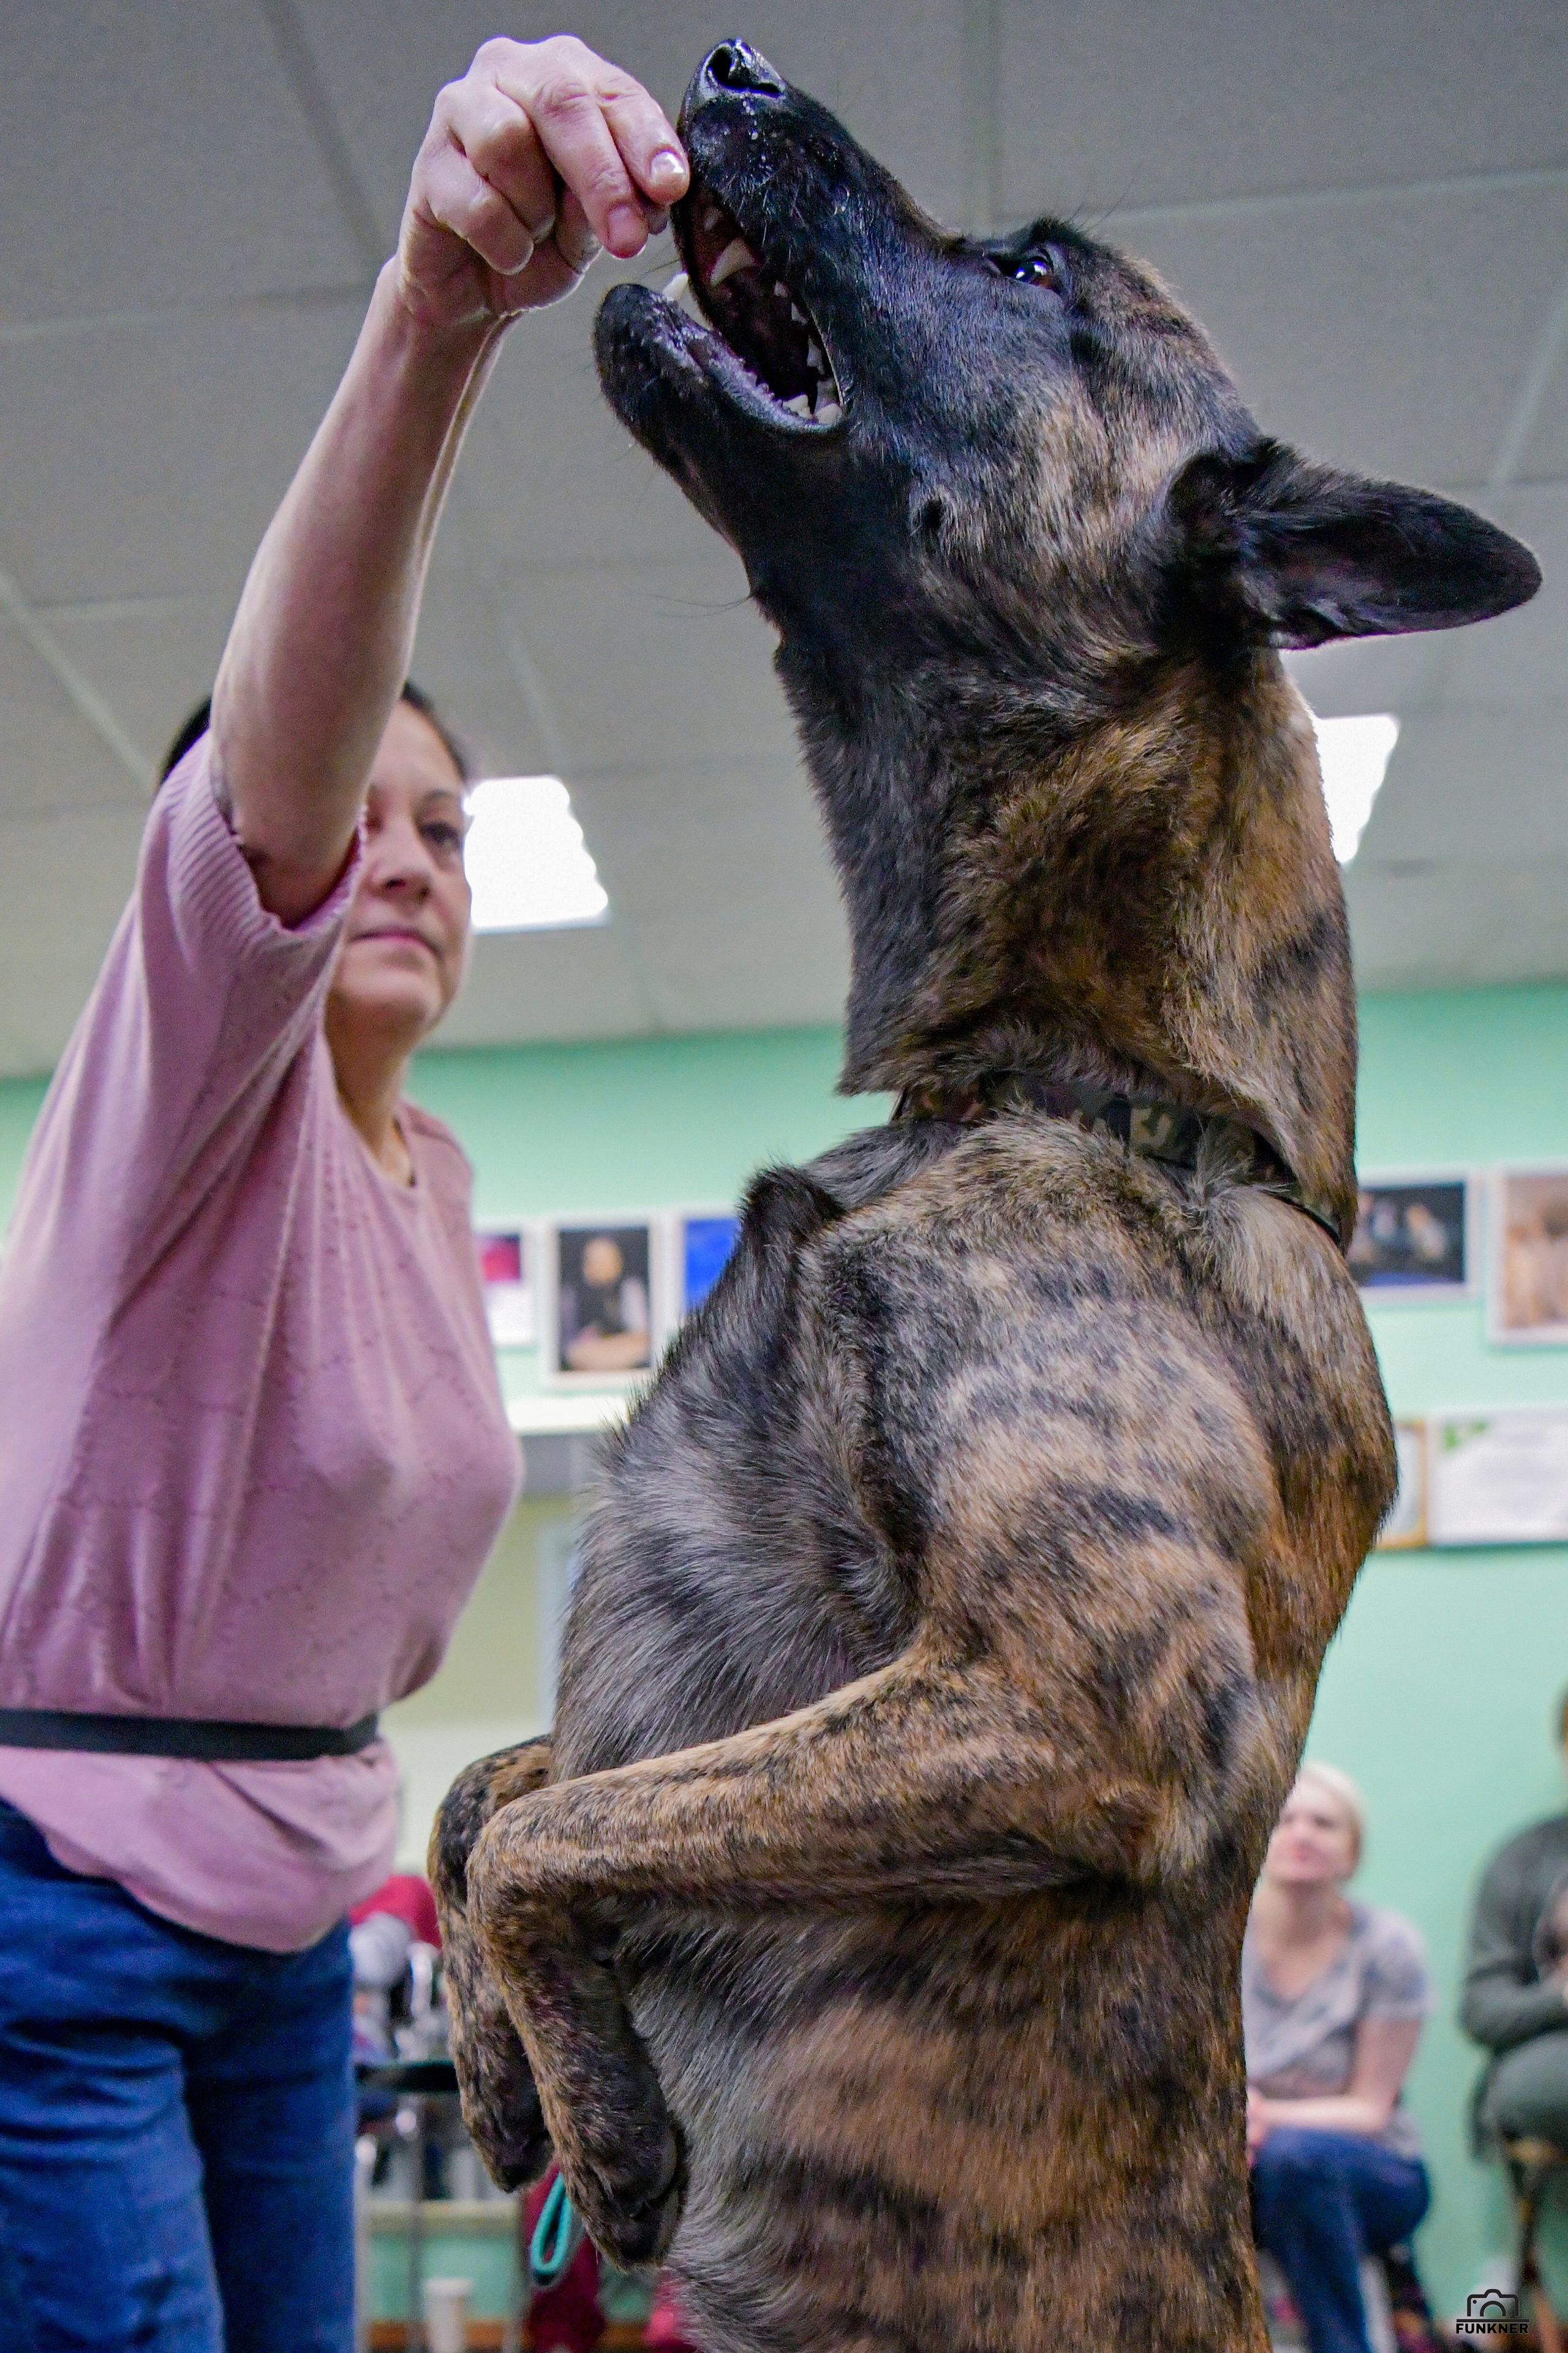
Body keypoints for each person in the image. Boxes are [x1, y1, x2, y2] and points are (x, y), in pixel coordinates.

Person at [0, 36, 689, 2353]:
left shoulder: (438, 1174)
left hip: (300, 1920)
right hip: (57, 1910)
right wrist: (429, 314)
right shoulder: (197, 1068)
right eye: (361, 812)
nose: (400, 856)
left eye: (451, 832)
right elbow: (276, 781)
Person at [1244, 1764, 1433, 2353]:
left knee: (1294, 2161)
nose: (1300, 1833)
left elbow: (1370, 2108)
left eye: (1323, 1823)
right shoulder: (1215, 1942)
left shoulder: (1387, 1948)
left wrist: (1260, 2114)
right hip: (1241, 2160)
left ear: (1351, 1852)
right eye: (1284, 1819)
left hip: (1370, 2167)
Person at [1461, 1687, 1568, 2147]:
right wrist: (1562, 1998)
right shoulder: (1523, 1858)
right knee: (1531, 2087)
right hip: (1553, 2057)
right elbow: (1482, 2010)